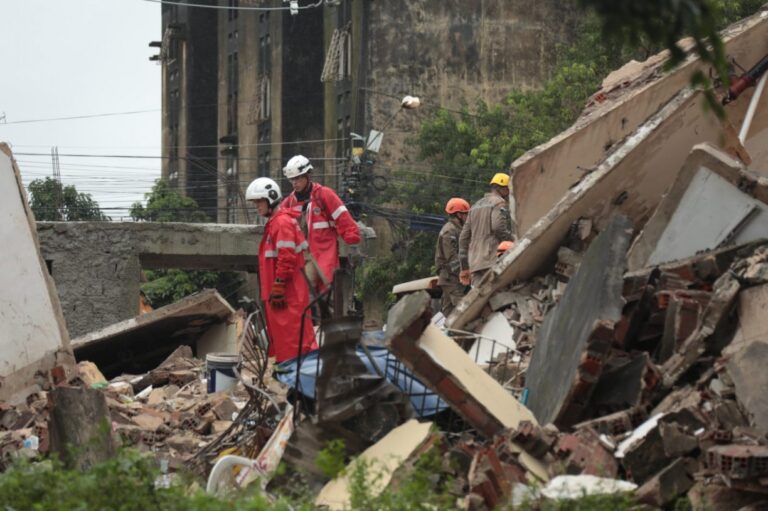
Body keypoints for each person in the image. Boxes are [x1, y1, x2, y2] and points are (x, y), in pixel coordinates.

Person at [246, 177, 317, 362]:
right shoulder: (276, 223)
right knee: (288, 343)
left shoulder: (281, 223)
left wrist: (278, 285)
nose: (257, 206)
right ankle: (294, 382)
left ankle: (300, 383)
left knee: (294, 344)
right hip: (284, 295)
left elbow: (287, 257)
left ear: (270, 198)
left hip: (287, 295)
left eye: (259, 201)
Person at [280, 154, 361, 291]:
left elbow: (343, 218)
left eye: (298, 178)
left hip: (323, 255)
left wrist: (352, 242)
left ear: (308, 175)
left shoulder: (324, 195)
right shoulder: (289, 202)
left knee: (319, 292)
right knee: (305, 293)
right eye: (292, 179)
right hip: (302, 256)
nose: (295, 182)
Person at [459, 173, 516, 286]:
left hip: (475, 263)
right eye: (508, 189)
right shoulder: (499, 203)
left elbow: (463, 239)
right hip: (491, 259)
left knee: (478, 298)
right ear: (503, 188)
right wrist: (514, 240)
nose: (509, 193)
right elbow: (498, 227)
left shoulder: (475, 206)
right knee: (496, 296)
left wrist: (464, 267)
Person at [435, 197, 470, 316]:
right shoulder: (449, 231)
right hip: (451, 278)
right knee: (464, 310)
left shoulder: (458, 229)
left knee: (449, 313)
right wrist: (465, 273)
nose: (467, 217)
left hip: (452, 278)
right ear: (459, 215)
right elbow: (452, 258)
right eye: (466, 214)